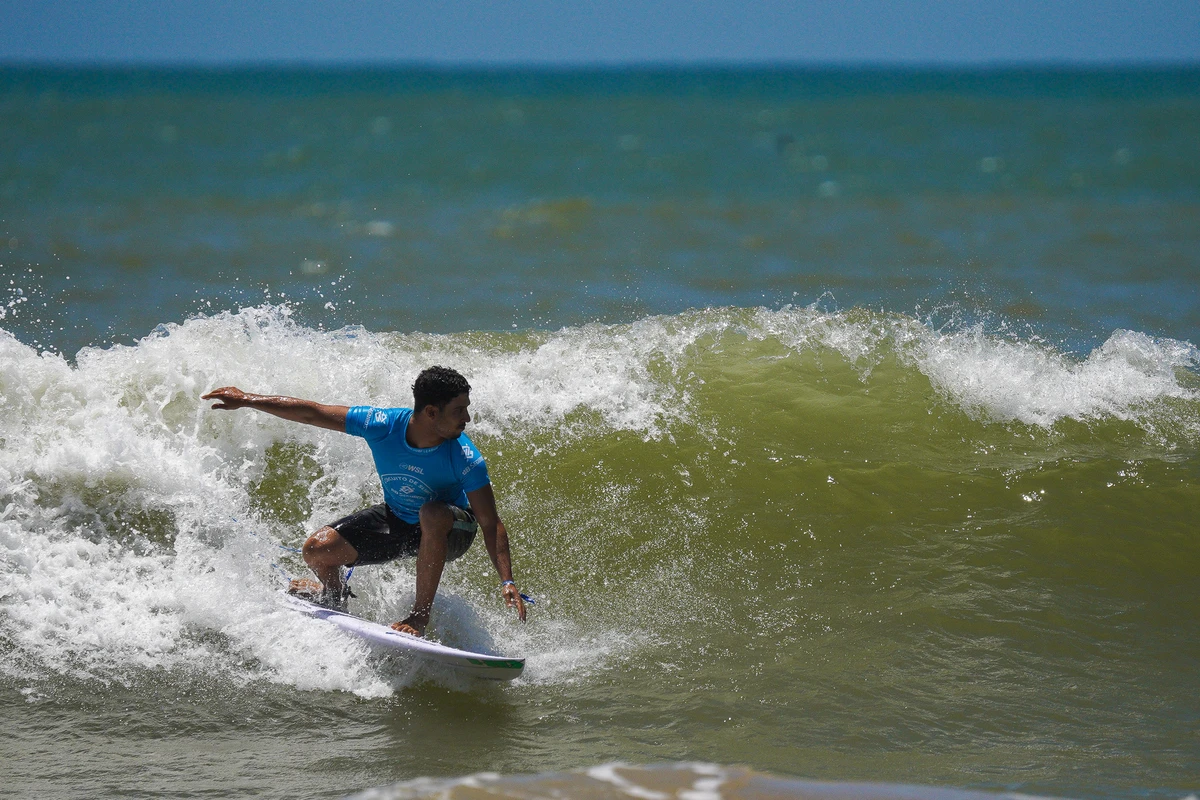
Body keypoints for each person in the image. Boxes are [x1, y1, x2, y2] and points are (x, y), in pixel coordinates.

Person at [201, 366, 526, 637]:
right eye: (459, 410)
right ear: (430, 412)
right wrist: (246, 400)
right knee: (316, 550)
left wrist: (507, 580)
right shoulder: (382, 425)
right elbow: (313, 413)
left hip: (453, 528)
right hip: (400, 522)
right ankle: (331, 594)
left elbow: (489, 522)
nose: (467, 418)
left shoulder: (465, 457)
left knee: (432, 512)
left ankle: (419, 617)